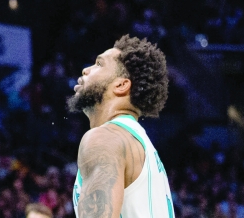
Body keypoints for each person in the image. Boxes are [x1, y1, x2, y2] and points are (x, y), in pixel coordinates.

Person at [68, 35, 172, 218]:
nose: (86, 70)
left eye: (99, 64)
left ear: (121, 85)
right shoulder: (139, 144)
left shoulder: (105, 138)